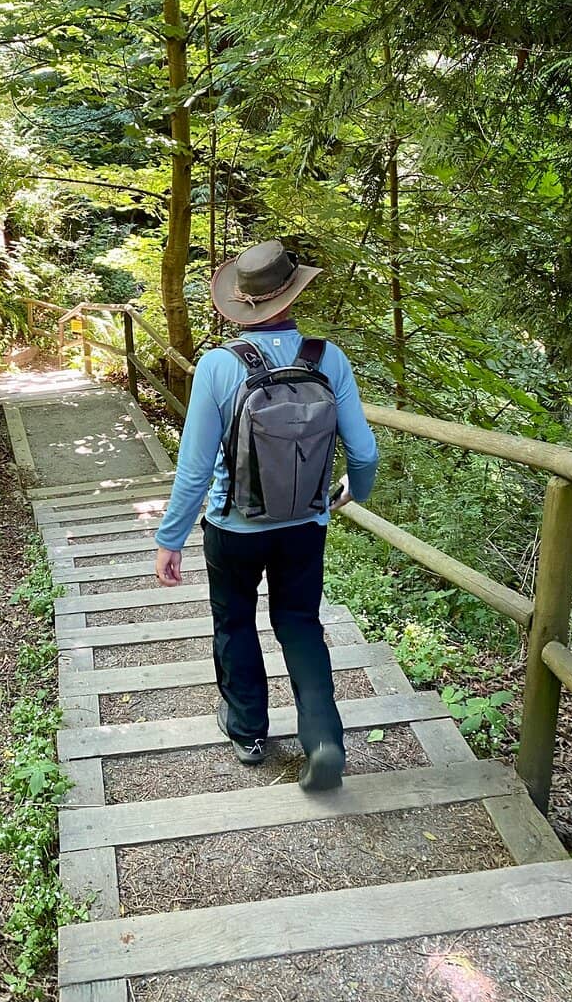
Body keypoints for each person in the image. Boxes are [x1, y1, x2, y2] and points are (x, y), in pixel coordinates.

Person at [153, 239, 379, 792]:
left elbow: (194, 468)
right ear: (293, 292)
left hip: (234, 528)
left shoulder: (217, 367)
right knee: (299, 623)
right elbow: (365, 452)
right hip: (305, 523)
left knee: (234, 622)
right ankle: (324, 736)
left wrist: (171, 538)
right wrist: (354, 493)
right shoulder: (329, 358)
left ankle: (249, 732)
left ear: (242, 304)